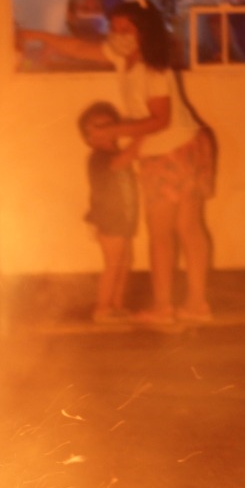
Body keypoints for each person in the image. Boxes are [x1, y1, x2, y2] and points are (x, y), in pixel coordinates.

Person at [18, 1, 216, 324]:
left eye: (128, 28)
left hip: (171, 152)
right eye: (115, 27)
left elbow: (159, 120)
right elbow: (79, 47)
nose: (119, 34)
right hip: (188, 146)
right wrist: (34, 35)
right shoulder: (124, 59)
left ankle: (164, 308)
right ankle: (196, 306)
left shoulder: (151, 69)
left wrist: (115, 130)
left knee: (164, 233)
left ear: (144, 31)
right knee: (187, 228)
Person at [78, 101, 141, 323]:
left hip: (124, 218)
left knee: (126, 262)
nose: (105, 129)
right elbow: (119, 164)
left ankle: (116, 305)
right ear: (88, 137)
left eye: (109, 124)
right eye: (98, 126)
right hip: (108, 219)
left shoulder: (117, 153)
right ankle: (102, 308)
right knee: (113, 264)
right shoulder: (98, 157)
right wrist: (141, 137)